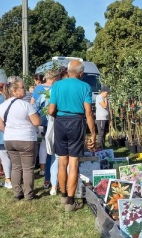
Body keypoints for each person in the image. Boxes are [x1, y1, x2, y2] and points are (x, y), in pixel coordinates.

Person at [48, 60, 96, 212]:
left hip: (60, 123)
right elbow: (88, 113)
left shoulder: (56, 85)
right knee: (73, 162)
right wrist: (93, 133)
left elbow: (50, 111)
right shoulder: (85, 86)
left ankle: (63, 195)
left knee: (62, 161)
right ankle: (70, 201)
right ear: (81, 73)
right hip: (77, 122)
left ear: (68, 71)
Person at [0, 77, 41, 201]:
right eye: (23, 88)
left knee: (16, 167)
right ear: (15, 91)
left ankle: (17, 192)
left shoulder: (1, 107)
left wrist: (10, 131)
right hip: (26, 139)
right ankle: (28, 194)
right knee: (28, 168)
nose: (25, 90)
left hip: (9, 139)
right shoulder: (26, 105)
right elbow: (37, 122)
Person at [34, 69, 58, 192]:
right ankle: (54, 180)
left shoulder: (41, 91)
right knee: (55, 153)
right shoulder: (56, 90)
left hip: (44, 124)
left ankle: (47, 178)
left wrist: (38, 117)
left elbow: (34, 106)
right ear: (55, 79)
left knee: (48, 150)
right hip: (55, 124)